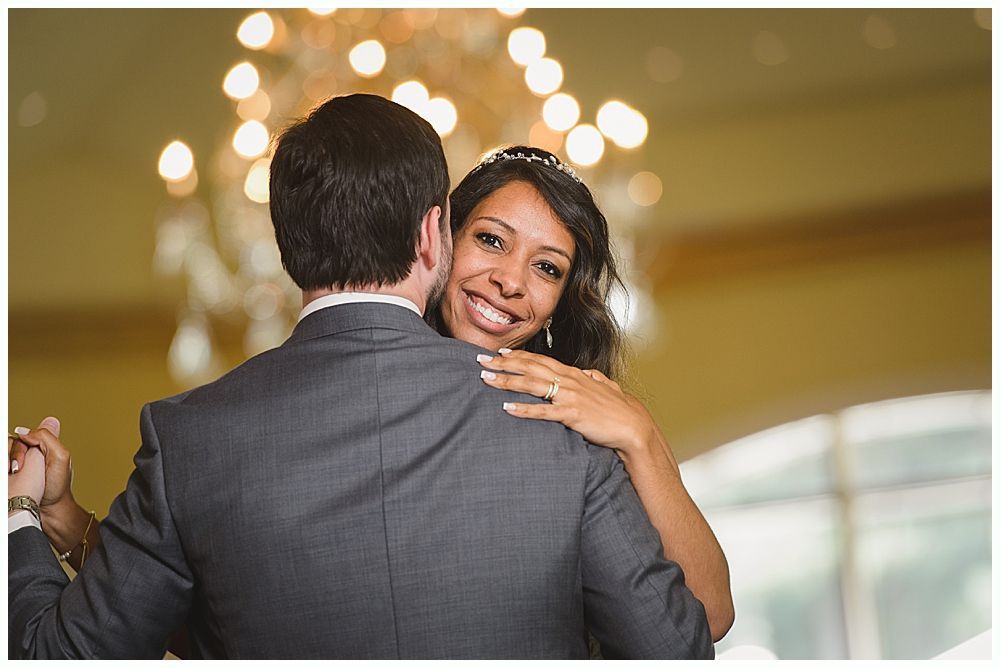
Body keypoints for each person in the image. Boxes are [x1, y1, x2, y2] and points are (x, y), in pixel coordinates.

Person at [8, 94, 715, 659]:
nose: (507, 282)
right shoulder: (556, 434)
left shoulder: (189, 437)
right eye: (491, 240)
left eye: (547, 267)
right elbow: (674, 647)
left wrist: (17, 519)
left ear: (287, 250)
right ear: (437, 236)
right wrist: (68, 522)